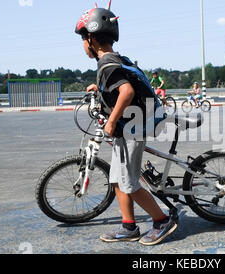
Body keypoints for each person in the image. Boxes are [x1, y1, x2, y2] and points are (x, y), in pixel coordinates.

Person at [75, 5, 178, 246]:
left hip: (132, 129)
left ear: (91, 39)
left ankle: (163, 220)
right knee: (117, 180)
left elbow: (127, 90)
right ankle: (129, 226)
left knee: (130, 183)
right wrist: (98, 87)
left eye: (82, 39)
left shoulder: (108, 63)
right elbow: (117, 82)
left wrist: (111, 121)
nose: (82, 45)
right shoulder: (114, 59)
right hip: (127, 129)